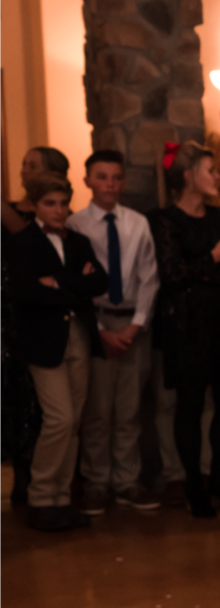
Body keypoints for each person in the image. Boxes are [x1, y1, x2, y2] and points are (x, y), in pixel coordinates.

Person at [151, 142, 220, 518]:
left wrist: (205, 271)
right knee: (190, 405)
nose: (218, 177)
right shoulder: (166, 220)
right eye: (210, 170)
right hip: (188, 325)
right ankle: (194, 485)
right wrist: (214, 258)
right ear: (188, 176)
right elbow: (171, 274)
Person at [11, 172, 107, 531]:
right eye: (50, 203)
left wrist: (58, 283)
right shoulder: (23, 242)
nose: (59, 210)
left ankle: (61, 498)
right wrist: (74, 287)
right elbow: (26, 292)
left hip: (78, 335)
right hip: (43, 340)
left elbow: (99, 281)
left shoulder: (78, 241)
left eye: (64, 203)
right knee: (60, 418)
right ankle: (40, 496)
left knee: (75, 420)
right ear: (34, 205)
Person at [70, 149, 161, 514]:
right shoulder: (76, 225)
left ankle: (127, 480)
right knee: (97, 410)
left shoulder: (137, 223)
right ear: (88, 180)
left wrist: (136, 325)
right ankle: (96, 482)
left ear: (124, 182)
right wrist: (100, 332)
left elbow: (149, 277)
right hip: (96, 321)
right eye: (102, 177)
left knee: (129, 409)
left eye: (116, 177)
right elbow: (75, 285)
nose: (110, 184)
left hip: (132, 324)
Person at [3, 146, 69, 505]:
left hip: (42, 318)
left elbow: (24, 236)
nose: (23, 171)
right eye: (23, 165)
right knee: (16, 398)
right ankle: (25, 478)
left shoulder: (53, 216)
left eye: (32, 166)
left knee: (49, 409)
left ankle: (48, 488)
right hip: (10, 313)